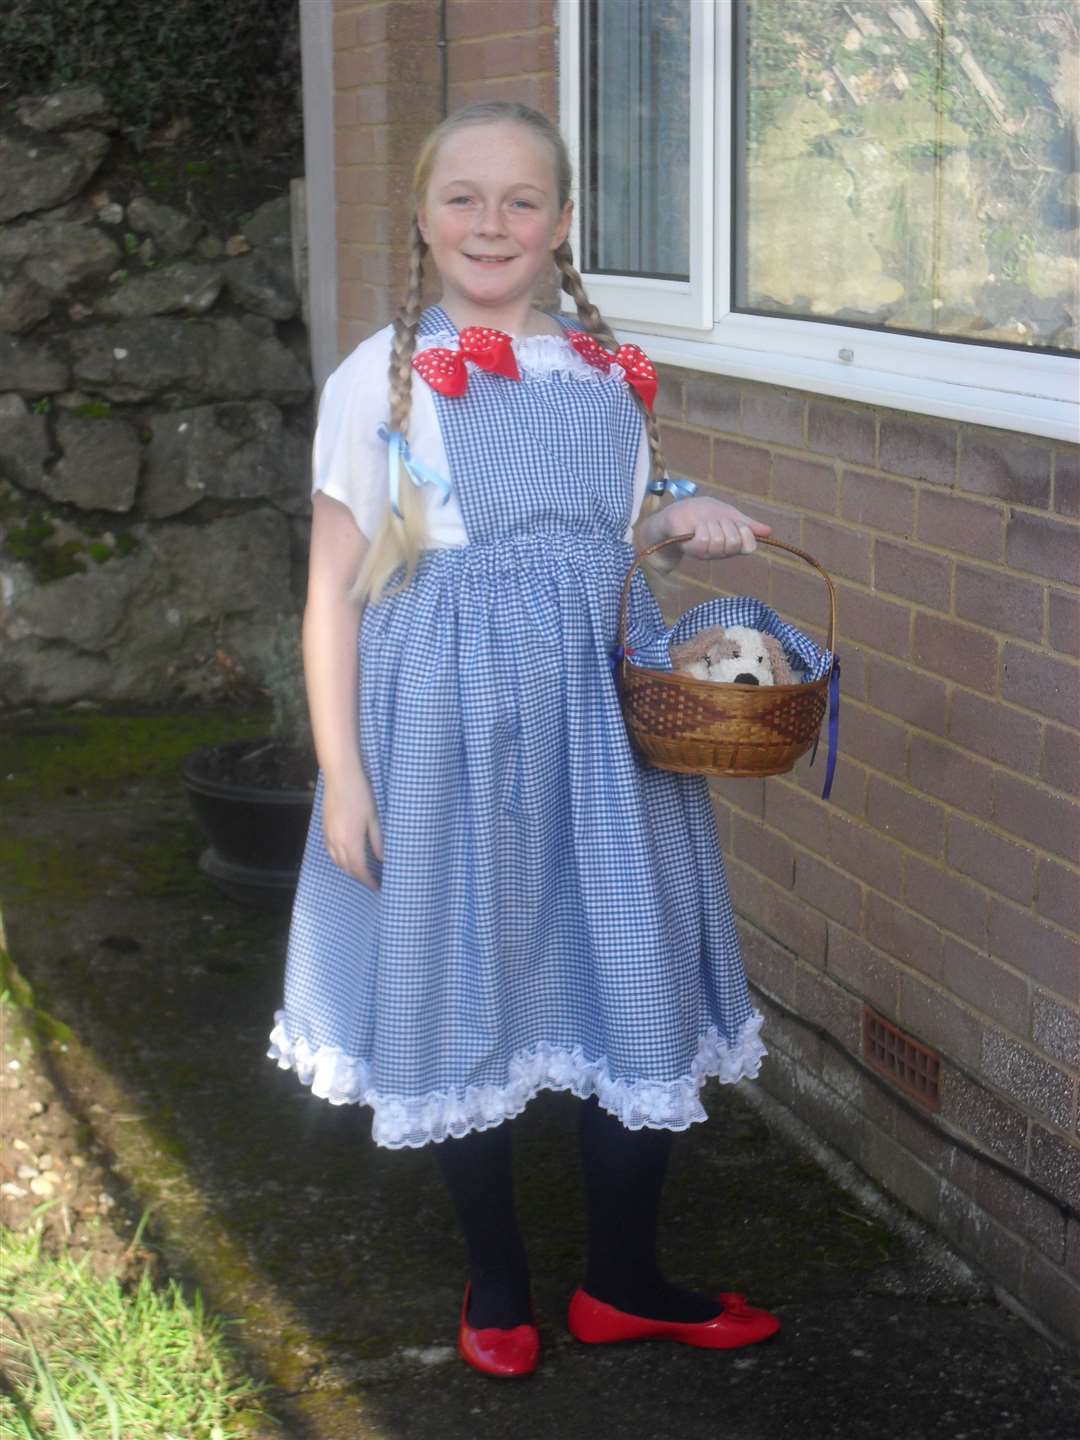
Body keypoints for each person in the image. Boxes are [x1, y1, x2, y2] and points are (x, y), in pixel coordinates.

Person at [270, 101, 781, 1378]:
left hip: (604, 719)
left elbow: (615, 539)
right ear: (423, 217)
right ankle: (497, 1283)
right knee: (460, 971)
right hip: (446, 725)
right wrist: (342, 780)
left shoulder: (612, 371)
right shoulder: (380, 377)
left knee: (635, 964)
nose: (489, 224)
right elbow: (331, 596)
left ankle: (623, 1281)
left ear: (562, 225)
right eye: (463, 199)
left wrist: (685, 522)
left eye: (519, 202)